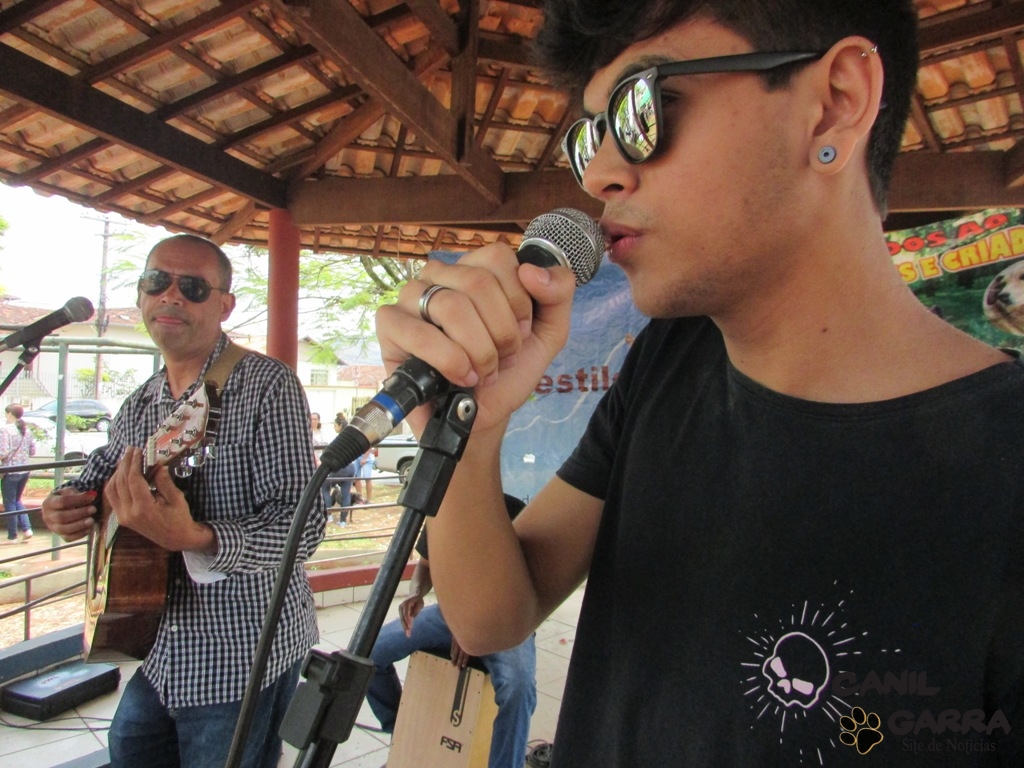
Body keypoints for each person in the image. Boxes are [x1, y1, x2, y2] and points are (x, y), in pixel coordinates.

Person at [374, 2, 1024, 765]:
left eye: (645, 105)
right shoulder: (669, 359)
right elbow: (490, 620)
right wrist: (470, 431)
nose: (600, 173)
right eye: (591, 136)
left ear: (835, 103)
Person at [41, 234, 325, 768]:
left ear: (224, 305)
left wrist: (195, 537)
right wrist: (66, 502)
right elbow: (103, 469)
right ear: (142, 296)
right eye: (157, 282)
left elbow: (303, 526)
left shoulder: (267, 385)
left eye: (192, 287)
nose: (170, 295)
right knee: (130, 750)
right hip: (157, 648)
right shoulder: (142, 401)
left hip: (243, 655)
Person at [366, 495, 536, 768]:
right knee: (371, 652)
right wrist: (416, 593)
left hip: (504, 621)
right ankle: (403, 734)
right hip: (449, 614)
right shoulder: (441, 511)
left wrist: (470, 627)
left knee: (519, 688)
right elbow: (425, 566)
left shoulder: (514, 513)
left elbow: (521, 589)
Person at [2, 404, 37, 543]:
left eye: (6, 414)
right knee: (17, 500)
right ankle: (27, 529)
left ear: (10, 414)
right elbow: (32, 451)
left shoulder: (5, 430)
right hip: (24, 469)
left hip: (10, 471)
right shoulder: (27, 430)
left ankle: (12, 535)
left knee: (9, 502)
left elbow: (3, 452)